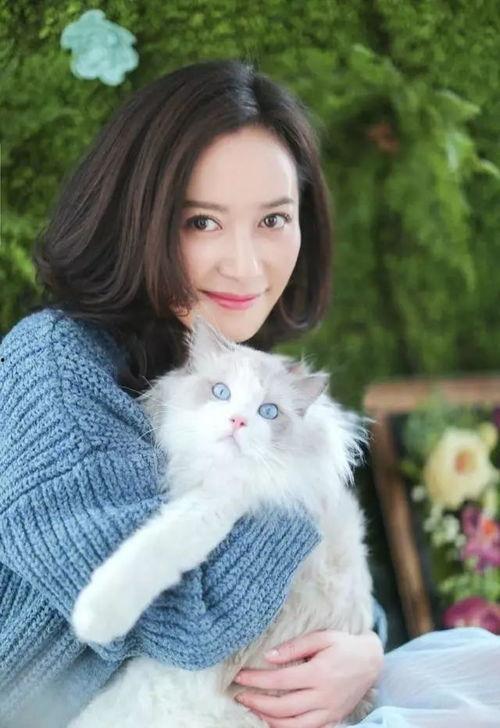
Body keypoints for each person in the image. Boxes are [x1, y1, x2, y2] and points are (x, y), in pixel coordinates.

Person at [0, 58, 497, 728]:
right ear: (135, 218)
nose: (245, 264)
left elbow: (319, 585)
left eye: (273, 220)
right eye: (201, 222)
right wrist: (302, 472)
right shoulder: (55, 366)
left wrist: (363, 651)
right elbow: (178, 621)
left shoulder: (242, 371)